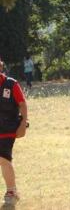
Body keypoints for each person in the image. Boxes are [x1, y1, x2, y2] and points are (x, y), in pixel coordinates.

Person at [0, 59, 28, 205]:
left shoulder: (11, 84)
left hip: (8, 128)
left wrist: (23, 123)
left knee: (3, 158)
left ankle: (11, 191)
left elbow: (22, 104)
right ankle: (13, 191)